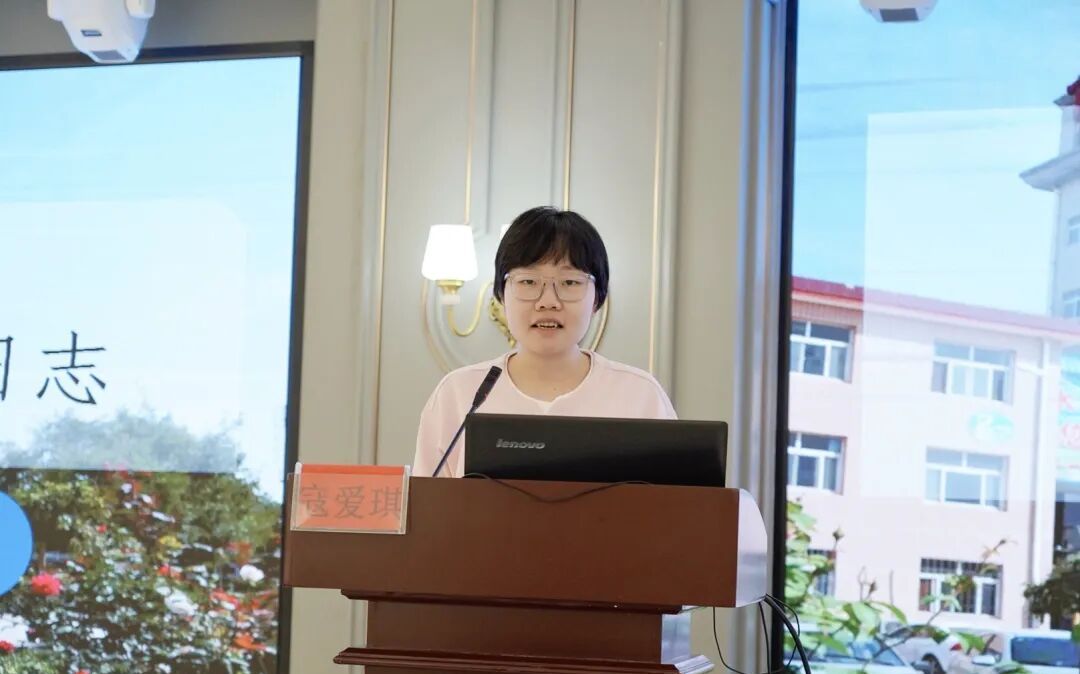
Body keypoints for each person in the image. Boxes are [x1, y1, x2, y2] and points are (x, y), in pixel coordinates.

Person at [413, 206, 676, 477]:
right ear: (501, 294)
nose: (548, 301)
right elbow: (424, 499)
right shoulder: (458, 394)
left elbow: (676, 499)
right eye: (528, 281)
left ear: (597, 298)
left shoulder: (640, 396)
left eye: (569, 282)